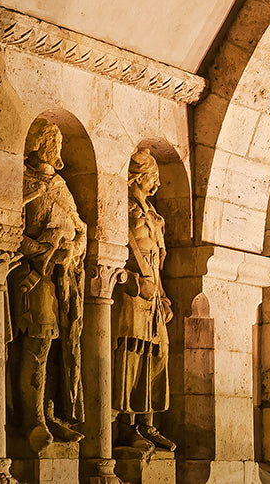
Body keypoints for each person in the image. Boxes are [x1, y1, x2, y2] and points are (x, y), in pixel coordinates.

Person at [9, 117, 87, 450]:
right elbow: (6, 229)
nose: (58, 149)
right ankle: (32, 418)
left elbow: (80, 229)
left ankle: (50, 410)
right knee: (37, 344)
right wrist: (42, 250)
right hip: (34, 278)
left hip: (64, 280)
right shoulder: (21, 181)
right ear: (42, 144)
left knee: (60, 348)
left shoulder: (60, 185)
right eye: (54, 142)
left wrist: (72, 251)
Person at [112, 148, 175, 451]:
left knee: (158, 353)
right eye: (154, 176)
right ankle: (126, 428)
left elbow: (155, 260)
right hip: (131, 297)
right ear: (138, 177)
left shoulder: (152, 215)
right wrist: (135, 284)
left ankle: (147, 424)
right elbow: (111, 257)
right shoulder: (121, 209)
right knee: (131, 357)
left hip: (153, 299)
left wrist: (162, 296)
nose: (158, 184)